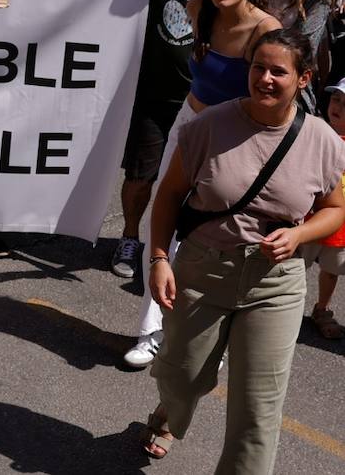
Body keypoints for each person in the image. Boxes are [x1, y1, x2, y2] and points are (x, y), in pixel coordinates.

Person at [140, 28, 345, 469]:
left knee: (258, 412)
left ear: (304, 78)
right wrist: (159, 258)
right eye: (258, 68)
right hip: (201, 273)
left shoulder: (322, 140)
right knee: (183, 378)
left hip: (276, 284)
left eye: (279, 71)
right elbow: (170, 194)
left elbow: (335, 208)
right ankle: (168, 416)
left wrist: (300, 235)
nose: (265, 78)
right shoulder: (208, 126)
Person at [121, 0, 279, 368]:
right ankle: (150, 331)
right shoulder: (198, 11)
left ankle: (210, 334)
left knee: (218, 237)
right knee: (164, 221)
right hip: (188, 126)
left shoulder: (268, 31)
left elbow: (275, 97)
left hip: (235, 141)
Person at [112, 0, 231, 278]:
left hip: (200, 99)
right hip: (153, 92)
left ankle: (173, 250)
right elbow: (125, 8)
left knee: (194, 182)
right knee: (141, 175)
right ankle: (130, 238)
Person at [303, 81, 345, 340]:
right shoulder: (315, 132)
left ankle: (322, 309)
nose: (338, 106)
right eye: (336, 99)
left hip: (339, 223)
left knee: (331, 270)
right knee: (295, 264)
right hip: (308, 217)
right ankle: (279, 306)